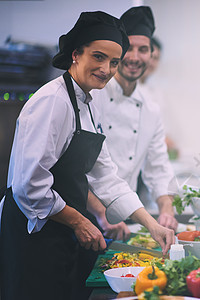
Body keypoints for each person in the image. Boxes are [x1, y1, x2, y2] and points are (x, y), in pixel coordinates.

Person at [0, 11, 174, 300]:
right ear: (76, 54)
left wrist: (152, 224)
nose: (107, 69)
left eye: (113, 62)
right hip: (33, 234)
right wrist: (80, 221)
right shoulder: (52, 101)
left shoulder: (86, 101)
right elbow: (29, 185)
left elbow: (106, 175)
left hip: (60, 231)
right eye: (98, 57)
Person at [88, 6, 178, 241]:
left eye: (144, 49)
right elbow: (71, 169)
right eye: (129, 48)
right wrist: (100, 212)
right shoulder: (92, 95)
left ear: (151, 54)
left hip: (125, 216)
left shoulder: (150, 107)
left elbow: (159, 167)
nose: (136, 57)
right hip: (83, 215)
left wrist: (166, 209)